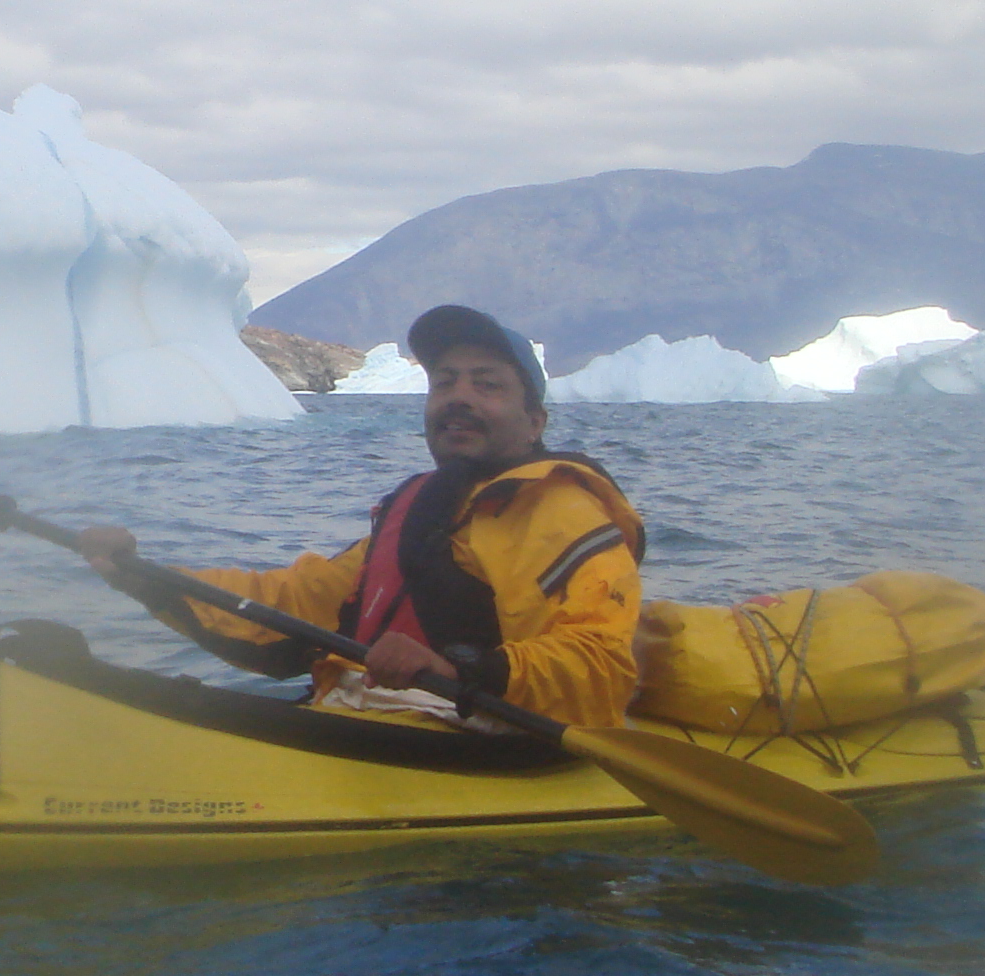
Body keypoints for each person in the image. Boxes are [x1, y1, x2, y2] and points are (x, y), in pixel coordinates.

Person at [75, 304, 643, 729]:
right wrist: (144, 576)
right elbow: (297, 605)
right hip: (368, 719)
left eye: (488, 384)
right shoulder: (421, 505)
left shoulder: (561, 510)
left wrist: (458, 670)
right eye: (444, 382)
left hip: (476, 740)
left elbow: (601, 664)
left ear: (535, 421)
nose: (459, 397)